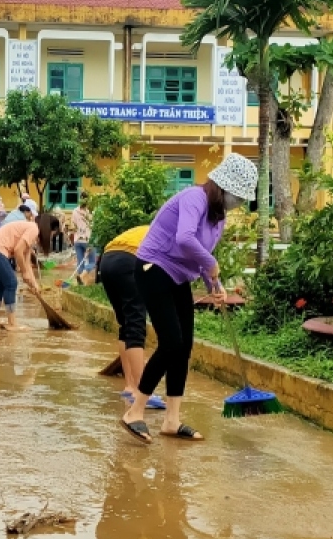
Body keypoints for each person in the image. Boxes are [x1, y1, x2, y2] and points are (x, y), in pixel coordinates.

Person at [120, 153, 258, 445]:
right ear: (224, 186)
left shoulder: (217, 218)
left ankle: (171, 420)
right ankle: (135, 411)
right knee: (171, 343)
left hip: (179, 276)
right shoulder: (195, 197)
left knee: (184, 347)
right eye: (238, 196)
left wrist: (215, 286)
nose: (239, 203)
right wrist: (210, 264)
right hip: (153, 267)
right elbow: (184, 238)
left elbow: (202, 259)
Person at [98, 225, 164, 410]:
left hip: (107, 260)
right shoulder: (177, 234)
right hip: (130, 261)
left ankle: (130, 387)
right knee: (136, 324)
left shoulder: (152, 227)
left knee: (125, 324)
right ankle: (143, 392)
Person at [0, 202, 42, 331]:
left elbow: (26, 262)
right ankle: (12, 323)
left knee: (2, 285)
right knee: (11, 283)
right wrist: (24, 273)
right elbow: (18, 250)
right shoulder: (34, 228)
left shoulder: (29, 232)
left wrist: (34, 284)